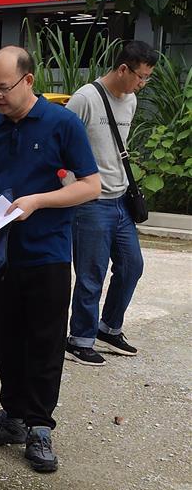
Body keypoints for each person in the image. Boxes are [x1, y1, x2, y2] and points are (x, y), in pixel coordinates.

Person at [0, 46, 100, 473]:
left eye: (3, 88)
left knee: (44, 341)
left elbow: (91, 186)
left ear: (29, 81)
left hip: (48, 254)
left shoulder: (63, 124)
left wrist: (39, 201)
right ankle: (12, 416)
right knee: (6, 338)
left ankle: (40, 426)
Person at [64, 41, 157, 366]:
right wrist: (69, 188)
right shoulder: (85, 99)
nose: (142, 84)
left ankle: (108, 327)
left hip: (120, 200)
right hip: (90, 202)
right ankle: (79, 339)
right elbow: (61, 141)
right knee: (92, 274)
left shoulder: (129, 101)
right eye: (140, 77)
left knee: (132, 265)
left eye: (147, 78)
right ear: (123, 69)